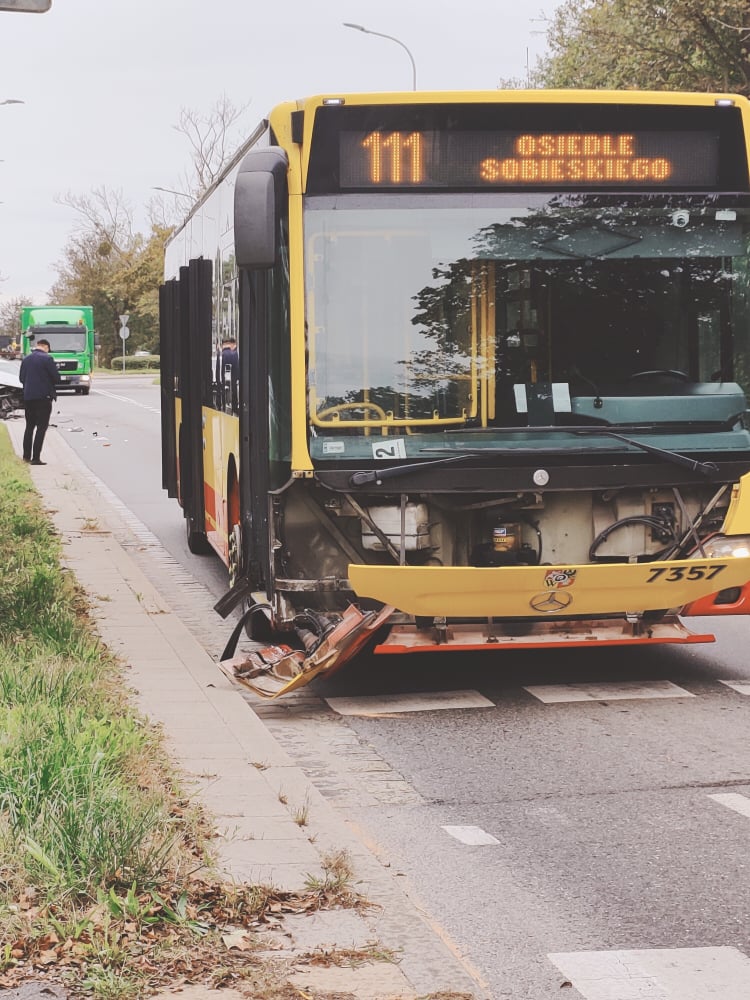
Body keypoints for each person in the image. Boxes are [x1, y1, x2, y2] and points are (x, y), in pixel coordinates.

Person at [19, 338, 60, 465]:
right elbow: (56, 378)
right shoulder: (48, 359)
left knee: (29, 427)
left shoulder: (26, 359)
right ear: (46, 347)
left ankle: (26, 457)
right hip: (44, 398)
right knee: (41, 428)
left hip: (28, 398)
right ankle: (36, 458)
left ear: (37, 346)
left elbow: (21, 378)